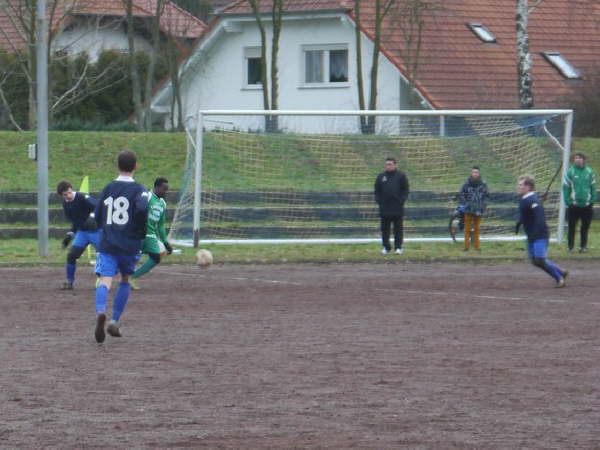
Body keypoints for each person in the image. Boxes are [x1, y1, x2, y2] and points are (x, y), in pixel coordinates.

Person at [93, 150, 150, 343]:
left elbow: (98, 212)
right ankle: (114, 321)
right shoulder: (141, 189)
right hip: (130, 244)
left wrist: (105, 229)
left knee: (105, 281)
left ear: (117, 166)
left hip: (109, 243)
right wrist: (140, 232)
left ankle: (101, 311)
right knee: (125, 279)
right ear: (136, 166)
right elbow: (142, 209)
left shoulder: (108, 187)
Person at [516, 175, 568, 288]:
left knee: (539, 260)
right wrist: (519, 223)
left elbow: (539, 216)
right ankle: (561, 271)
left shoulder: (533, 200)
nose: (518, 187)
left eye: (520, 185)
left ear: (528, 187)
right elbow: (526, 214)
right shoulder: (526, 199)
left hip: (539, 235)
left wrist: (537, 231)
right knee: (535, 261)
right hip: (531, 235)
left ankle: (559, 278)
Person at [129, 177, 173, 290]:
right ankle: (106, 276)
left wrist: (165, 242)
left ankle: (131, 277)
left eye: (167, 189)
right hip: (139, 233)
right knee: (130, 257)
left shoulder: (162, 203)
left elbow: (161, 225)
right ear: (157, 187)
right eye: (164, 189)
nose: (166, 192)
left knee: (156, 257)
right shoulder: (147, 197)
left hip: (151, 235)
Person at [57, 180, 101, 290]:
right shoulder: (66, 205)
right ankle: (69, 282)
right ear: (61, 196)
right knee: (71, 255)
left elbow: (99, 207)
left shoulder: (82, 197)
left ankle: (104, 281)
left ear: (72, 189)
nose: (68, 195)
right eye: (65, 195)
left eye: (69, 192)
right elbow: (75, 222)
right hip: (82, 233)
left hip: (96, 232)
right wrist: (69, 236)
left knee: (103, 256)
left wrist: (92, 216)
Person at [562, 152, 596, 253]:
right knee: (572, 227)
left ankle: (583, 247)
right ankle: (570, 247)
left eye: (579, 158)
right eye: (575, 158)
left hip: (586, 206)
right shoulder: (570, 172)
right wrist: (569, 202)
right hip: (574, 206)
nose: (577, 159)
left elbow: (593, 187)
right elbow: (566, 188)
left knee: (585, 228)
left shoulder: (589, 172)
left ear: (583, 160)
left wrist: (592, 201)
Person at [374, 157, 409, 254]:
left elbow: (405, 190)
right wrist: (379, 201)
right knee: (385, 229)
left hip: (397, 207)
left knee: (398, 229)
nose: (388, 166)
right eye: (386, 164)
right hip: (384, 208)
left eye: (390, 164)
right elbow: (377, 191)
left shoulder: (401, 176)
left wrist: (401, 201)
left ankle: (398, 248)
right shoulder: (381, 176)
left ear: (395, 165)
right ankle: (386, 247)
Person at [459, 166, 489, 251]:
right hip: (468, 209)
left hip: (479, 209)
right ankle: (466, 247)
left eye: (476, 172)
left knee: (476, 228)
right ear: (471, 173)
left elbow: (487, 195)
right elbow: (461, 194)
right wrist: (466, 203)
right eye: (473, 172)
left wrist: (484, 205)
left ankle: (477, 247)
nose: (475, 174)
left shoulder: (483, 184)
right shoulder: (466, 184)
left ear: (479, 174)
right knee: (467, 228)